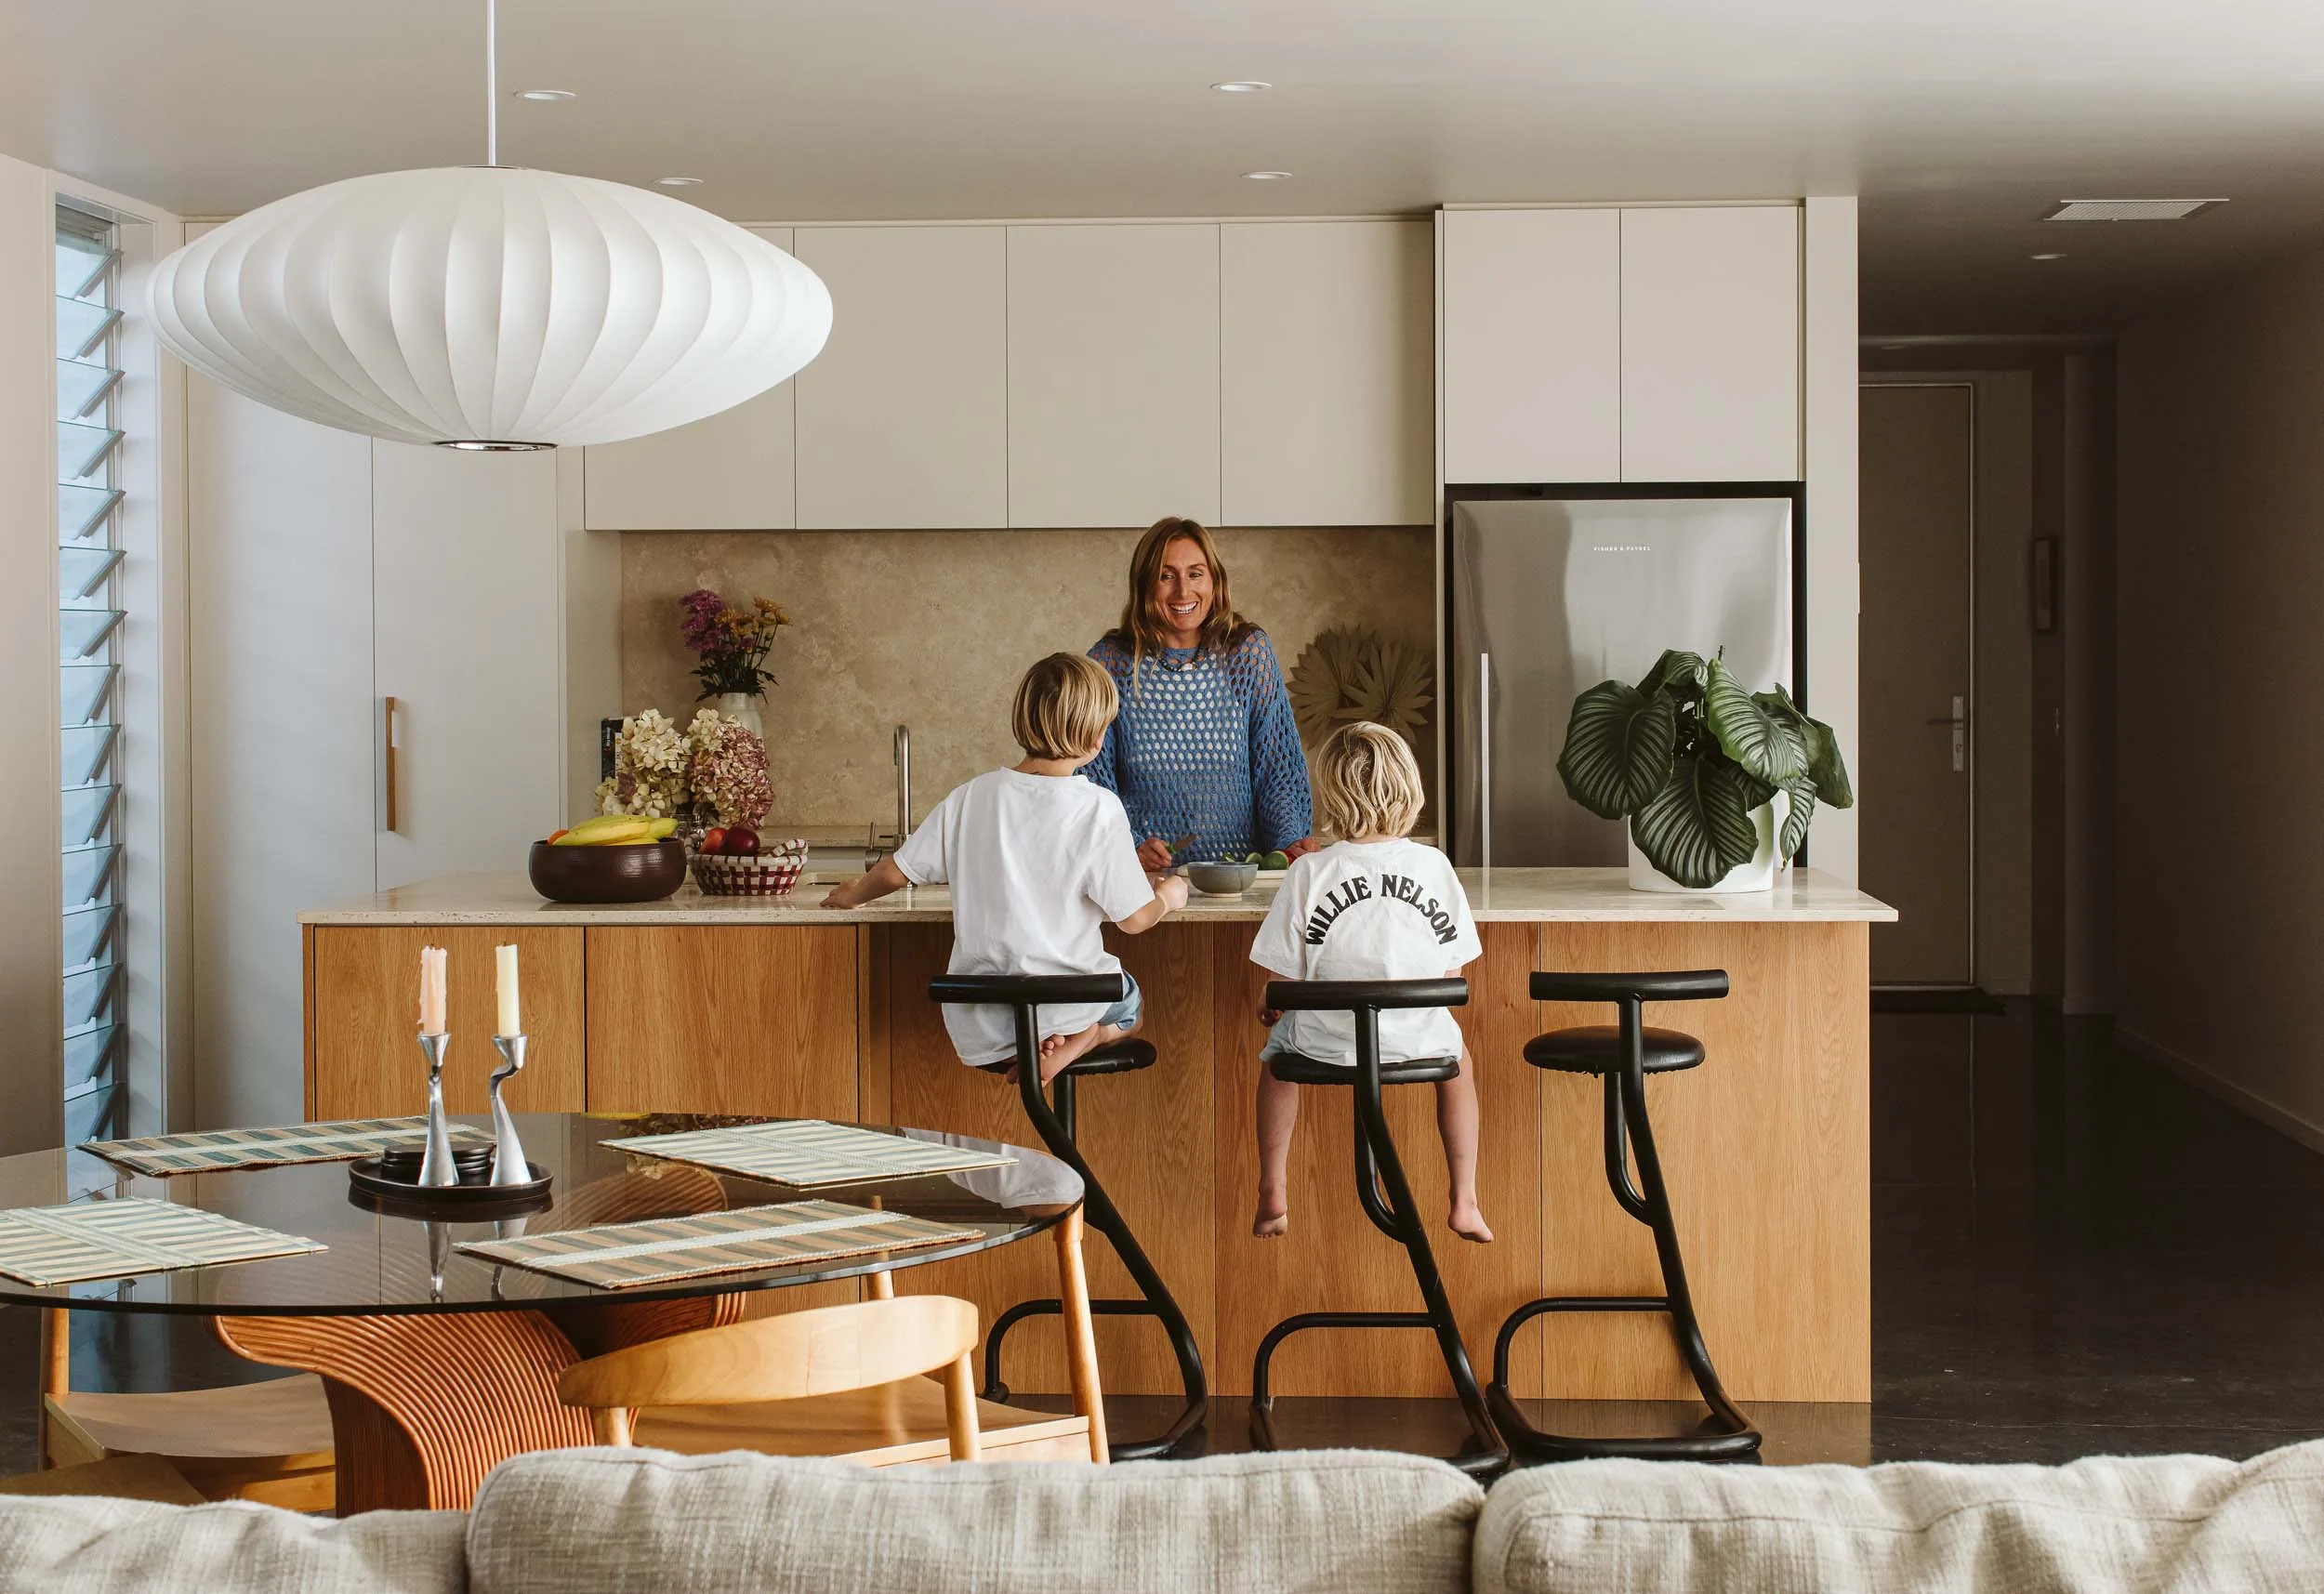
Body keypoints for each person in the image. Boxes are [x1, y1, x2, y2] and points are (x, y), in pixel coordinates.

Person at [823, 652, 1189, 1083]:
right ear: (1095, 739)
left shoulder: (969, 797)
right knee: (1132, 1005)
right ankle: (1085, 1037)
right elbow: (1133, 919)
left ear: (1024, 721)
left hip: (982, 1019)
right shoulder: (1098, 808)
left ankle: (1072, 1038)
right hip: (1070, 1004)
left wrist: (851, 895)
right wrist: (1168, 896)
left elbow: (894, 872)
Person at [1248, 721, 1491, 1244]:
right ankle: (1465, 1197)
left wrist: (1267, 1004)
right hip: (1417, 1040)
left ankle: (1274, 1187)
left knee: (1276, 1063)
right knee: (1459, 1064)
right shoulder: (1435, 867)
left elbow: (1279, 981)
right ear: (1409, 787)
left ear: (1330, 794)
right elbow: (1453, 976)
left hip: (1324, 1042)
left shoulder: (1309, 872)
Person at [1086, 517, 1317, 870]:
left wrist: (1286, 846)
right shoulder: (1111, 663)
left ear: (1214, 580)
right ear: (1145, 584)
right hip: (1145, 881)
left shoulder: (1248, 654)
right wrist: (1127, 848)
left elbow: (1278, 771)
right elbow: (1091, 781)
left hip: (1241, 877)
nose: (1183, 592)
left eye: (1195, 574)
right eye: (1167, 576)